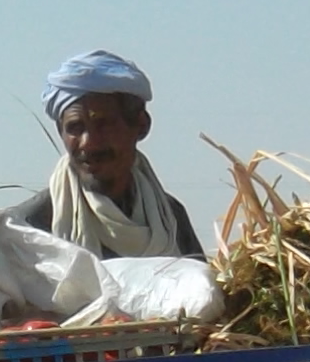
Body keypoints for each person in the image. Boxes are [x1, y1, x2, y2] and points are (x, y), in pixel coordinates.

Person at [30, 50, 204, 259]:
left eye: (103, 124)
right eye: (75, 128)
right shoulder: (35, 224)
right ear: (61, 132)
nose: (89, 143)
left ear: (141, 125)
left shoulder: (169, 218)